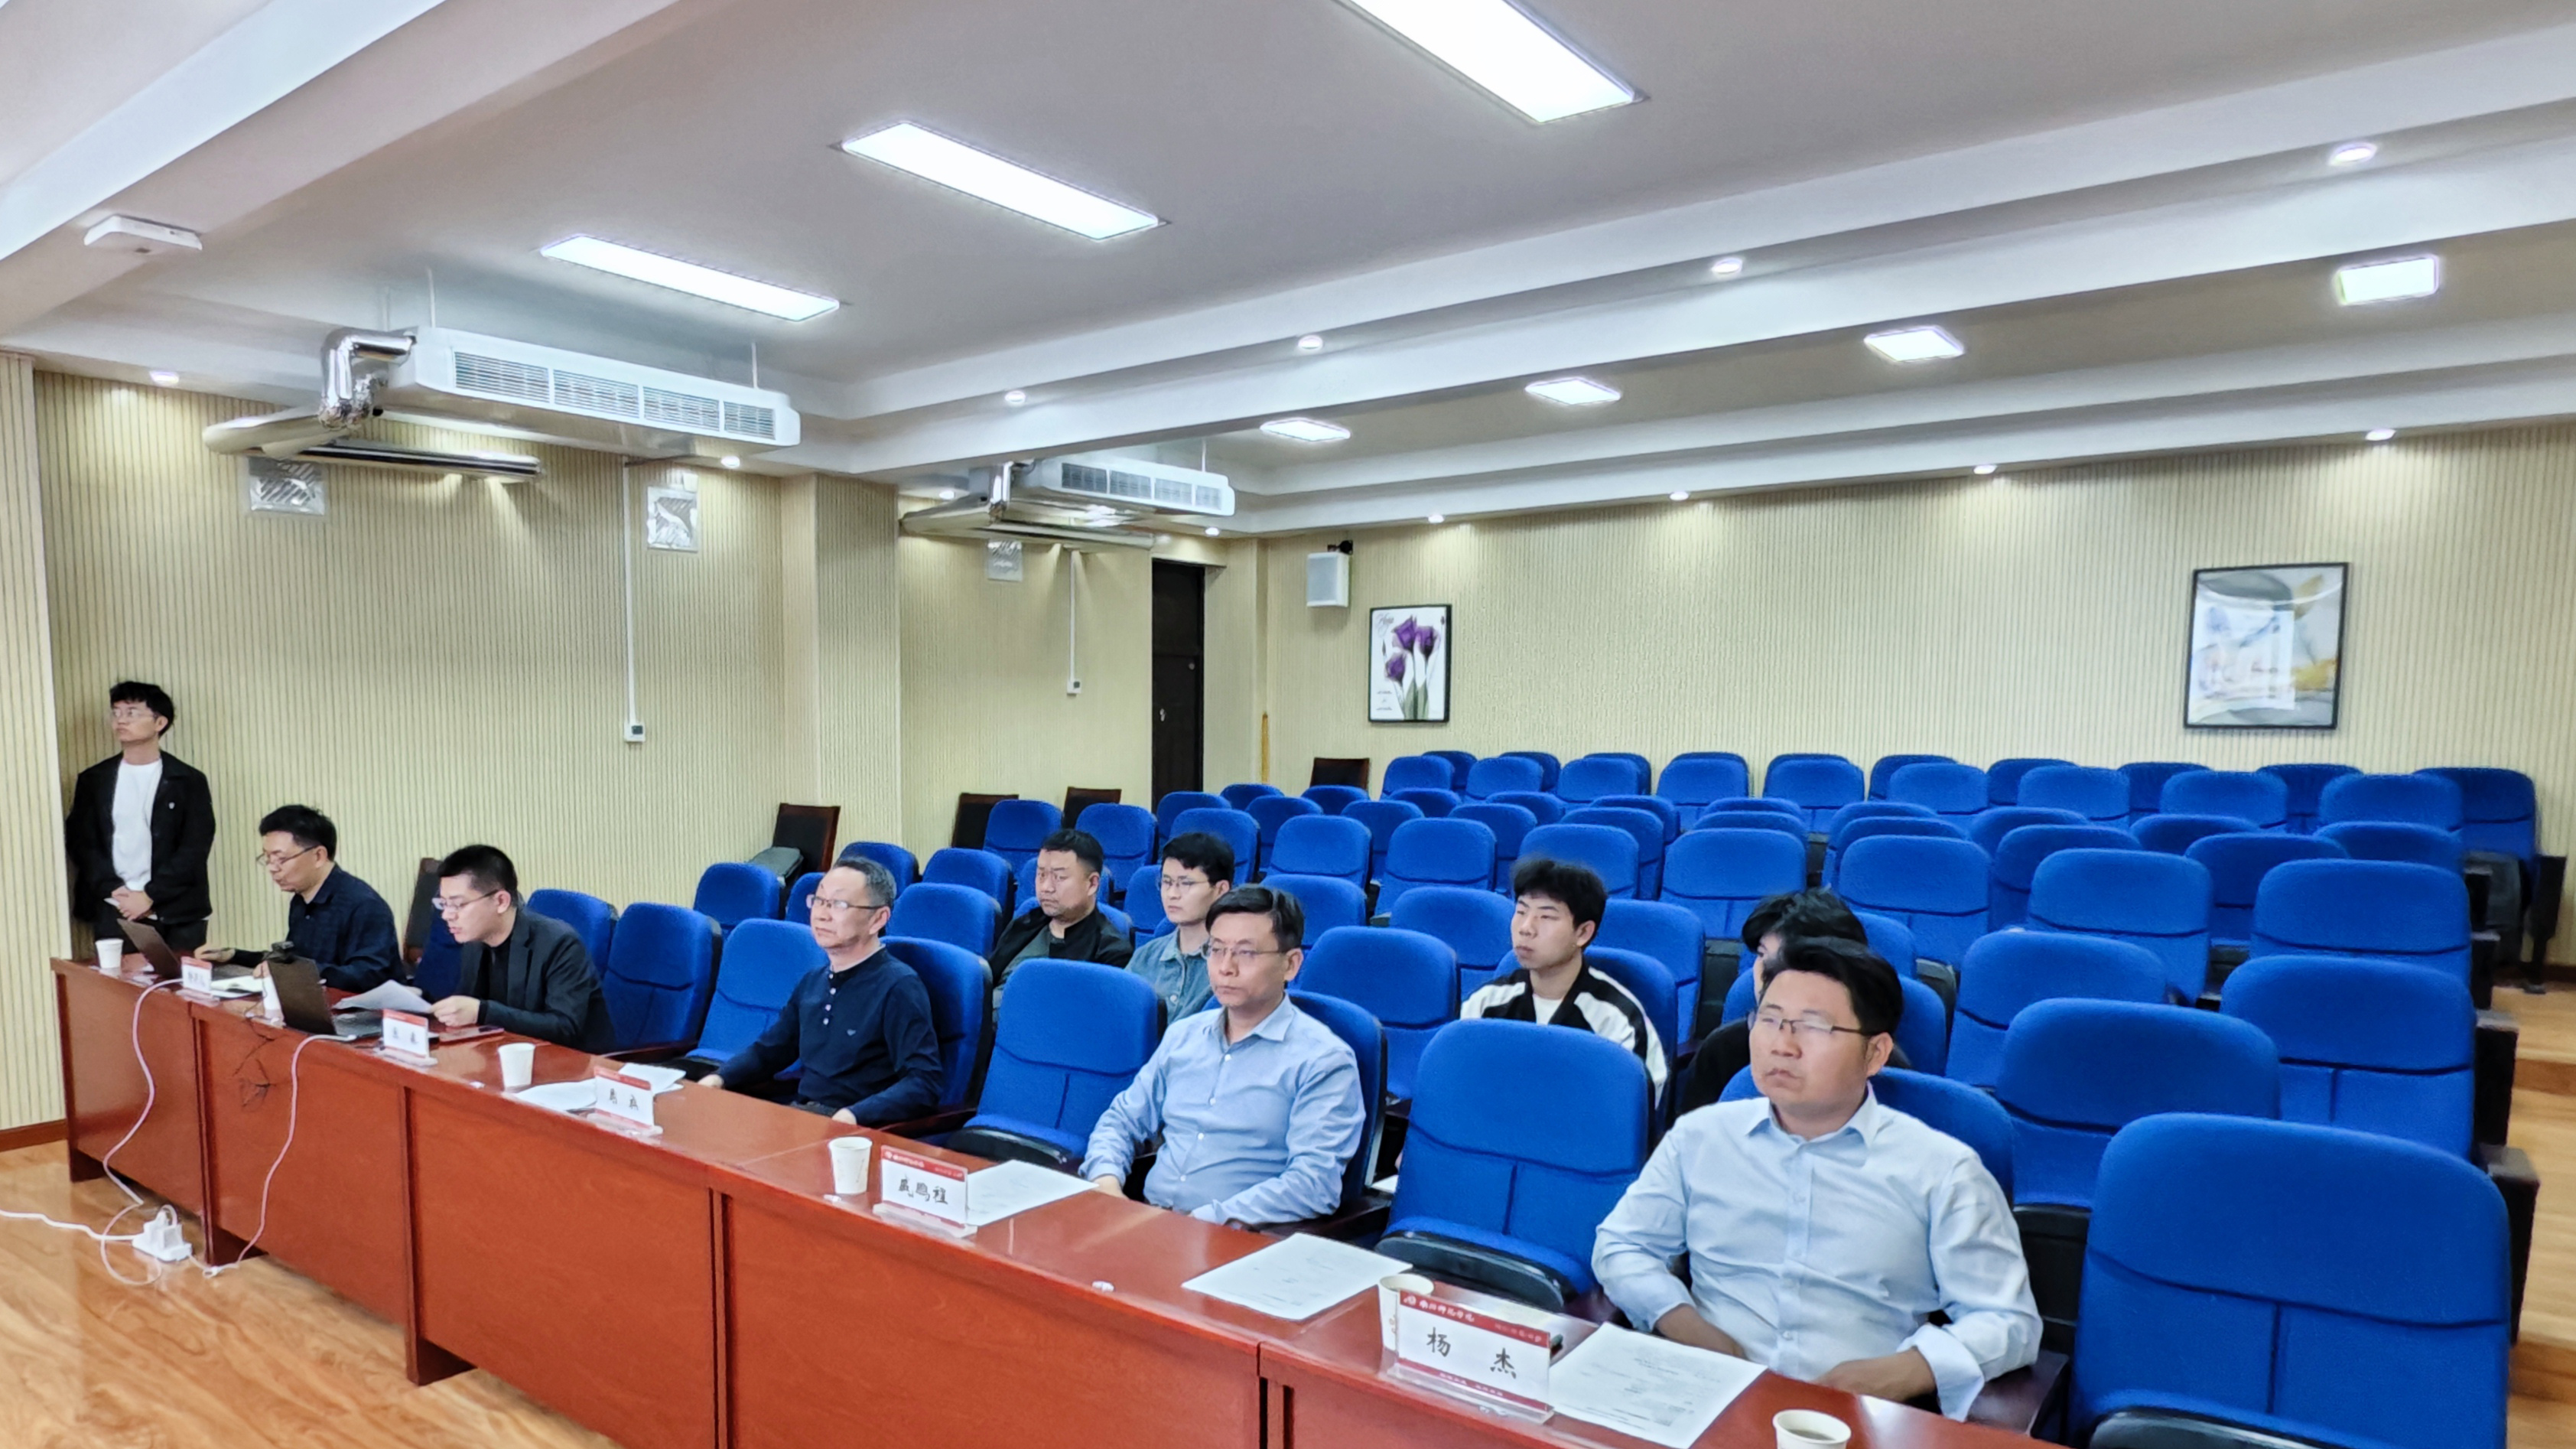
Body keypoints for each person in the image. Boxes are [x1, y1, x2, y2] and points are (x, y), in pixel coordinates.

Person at [1593, 936, 2039, 1420]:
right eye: (1769, 1020)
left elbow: (2007, 1319)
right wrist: (1684, 1324)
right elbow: (1622, 1245)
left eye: (1814, 1027)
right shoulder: (1700, 1137)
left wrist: (1903, 1372)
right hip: (1702, 1400)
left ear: (1875, 1053)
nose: (1781, 1046)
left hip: (1857, 1418)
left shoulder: (1942, 1170)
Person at [1082, 885, 1364, 1226]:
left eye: (1246, 953)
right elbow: (1121, 1122)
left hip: (1239, 1238)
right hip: (1147, 1222)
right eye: (1216, 950)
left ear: (1291, 965)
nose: (1225, 967)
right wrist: (1107, 1184)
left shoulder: (1324, 1061)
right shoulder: (1184, 1035)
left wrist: (1205, 1221)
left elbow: (1313, 1184)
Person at [698, 859, 943, 1123]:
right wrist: (719, 1078)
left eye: (839, 904)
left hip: (854, 1130)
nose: (822, 915)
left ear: (878, 919)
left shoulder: (900, 986)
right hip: (803, 1117)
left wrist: (852, 1116)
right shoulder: (813, 980)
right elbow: (771, 1051)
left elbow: (924, 1082)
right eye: (819, 901)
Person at [1670, 889, 1911, 1118]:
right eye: (1763, 956)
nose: (1767, 974)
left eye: (1788, 962)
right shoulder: (1724, 1049)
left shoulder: (1882, 1063)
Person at [1460, 857, 1667, 1099]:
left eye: (1546, 917)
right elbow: (1458, 1085)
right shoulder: (1484, 1003)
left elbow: (1635, 1109)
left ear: (1583, 933)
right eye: (1521, 912)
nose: (1526, 928)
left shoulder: (1617, 1020)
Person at [64, 681, 216, 954]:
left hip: (177, 909)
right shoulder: (94, 780)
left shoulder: (187, 780)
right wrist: (114, 890)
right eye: (116, 712)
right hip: (115, 906)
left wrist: (150, 895)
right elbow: (82, 842)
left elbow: (195, 846)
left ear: (160, 723)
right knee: (119, 980)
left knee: (180, 980)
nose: (120, 720)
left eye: (132, 712)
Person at [428, 845, 615, 1050]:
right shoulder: (475, 941)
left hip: (571, 1061)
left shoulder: (561, 944)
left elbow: (565, 1027)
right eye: (443, 904)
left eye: (458, 905)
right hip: (506, 1054)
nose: (447, 915)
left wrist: (482, 1012)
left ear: (501, 901)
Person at [200, 805, 399, 992]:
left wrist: (301, 974)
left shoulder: (364, 904)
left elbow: (370, 977)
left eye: (281, 859)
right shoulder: (301, 898)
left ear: (318, 856)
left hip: (361, 1011)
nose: (272, 868)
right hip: (313, 1003)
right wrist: (234, 956)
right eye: (267, 858)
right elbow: (292, 960)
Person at [990, 828, 1133, 982]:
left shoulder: (1111, 953)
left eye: (1059, 877)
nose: (1046, 887)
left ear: (1092, 884)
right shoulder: (1025, 924)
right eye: (1041, 875)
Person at [1123, 831, 1234, 1018]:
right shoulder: (1146, 956)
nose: (1172, 894)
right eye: (1167, 882)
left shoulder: (1232, 963)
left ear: (1221, 890)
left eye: (1186, 883)